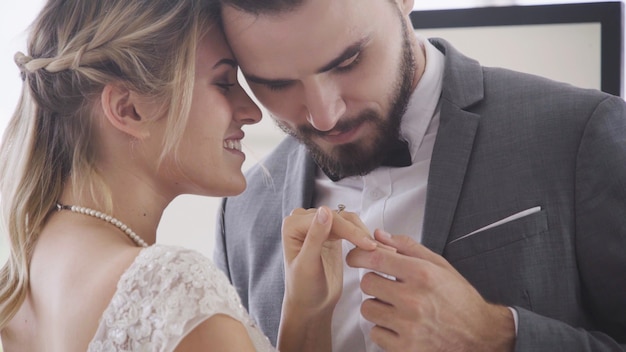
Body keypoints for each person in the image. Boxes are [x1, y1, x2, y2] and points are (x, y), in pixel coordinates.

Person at [214, 0, 626, 351]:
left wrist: (498, 336)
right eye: (277, 84)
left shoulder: (580, 133)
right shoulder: (240, 214)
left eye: (348, 62)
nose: (325, 115)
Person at [0, 0, 378, 351]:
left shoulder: (26, 277)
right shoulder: (168, 288)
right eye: (225, 83)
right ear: (129, 109)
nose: (251, 111)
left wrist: (305, 313)